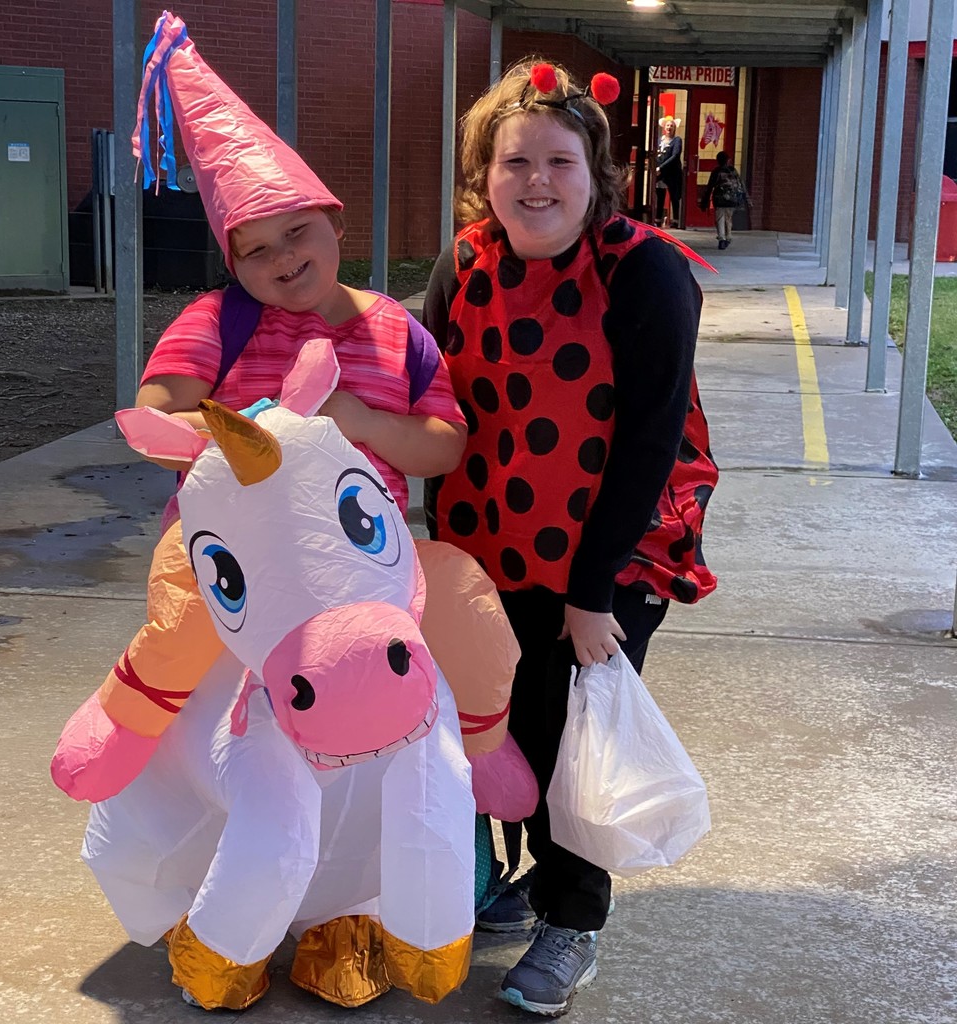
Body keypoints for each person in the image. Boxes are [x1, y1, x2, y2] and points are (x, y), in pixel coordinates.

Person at [51, 10, 466, 806]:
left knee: (430, 668)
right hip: (236, 573)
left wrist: (362, 424)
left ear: (335, 223)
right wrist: (256, 438)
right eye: (257, 249)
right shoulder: (217, 322)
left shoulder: (392, 328)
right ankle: (124, 723)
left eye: (298, 232)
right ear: (232, 260)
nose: (284, 259)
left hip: (355, 571)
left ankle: (466, 775)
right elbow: (160, 409)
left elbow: (444, 446)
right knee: (201, 686)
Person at [422, 59, 719, 1017]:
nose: (536, 181)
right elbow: (434, 404)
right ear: (485, 173)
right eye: (516, 162)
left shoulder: (646, 271)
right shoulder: (464, 261)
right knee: (487, 723)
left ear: (596, 178)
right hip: (488, 539)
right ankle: (519, 881)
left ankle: (573, 920)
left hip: (611, 546)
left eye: (559, 161)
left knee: (566, 740)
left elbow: (650, 437)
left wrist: (593, 593)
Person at [699, 150, 749, 249]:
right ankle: (728, 236)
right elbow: (741, 185)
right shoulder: (733, 171)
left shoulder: (716, 172)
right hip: (732, 200)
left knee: (720, 219)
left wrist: (704, 201)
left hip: (719, 199)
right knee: (728, 218)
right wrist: (746, 199)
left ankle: (722, 238)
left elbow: (709, 187)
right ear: (728, 160)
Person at [654, 114, 683, 227]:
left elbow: (675, 156)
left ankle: (675, 220)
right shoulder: (659, 140)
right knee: (660, 197)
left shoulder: (677, 140)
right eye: (667, 125)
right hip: (660, 173)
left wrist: (661, 167)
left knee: (674, 197)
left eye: (671, 126)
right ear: (664, 127)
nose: (669, 128)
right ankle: (657, 220)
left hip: (672, 173)